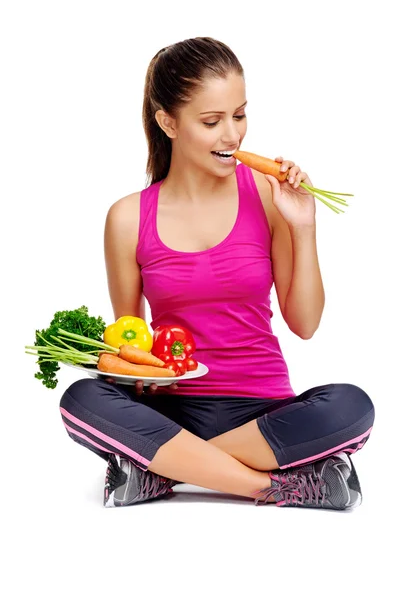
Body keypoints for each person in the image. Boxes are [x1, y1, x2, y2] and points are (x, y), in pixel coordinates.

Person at [59, 36, 375, 510]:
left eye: (240, 115)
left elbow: (305, 324)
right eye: (212, 121)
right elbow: (131, 346)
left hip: (264, 415)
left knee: (353, 407)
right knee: (81, 399)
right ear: (168, 122)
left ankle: (161, 472)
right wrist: (126, 371)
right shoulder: (127, 218)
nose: (233, 136)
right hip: (171, 414)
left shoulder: (269, 196)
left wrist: (304, 226)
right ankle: (273, 485)